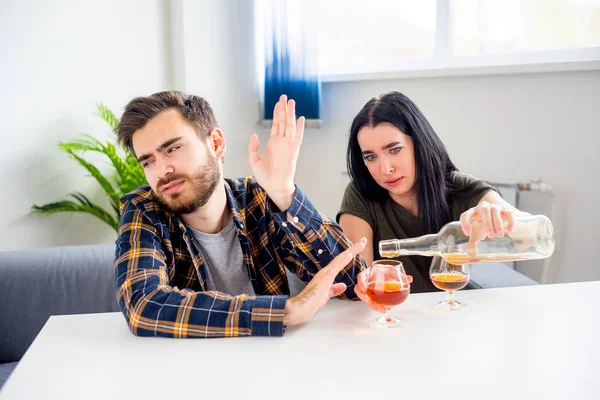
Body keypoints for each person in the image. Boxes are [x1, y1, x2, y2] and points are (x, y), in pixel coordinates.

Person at [114, 91, 367, 338]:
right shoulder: (143, 210)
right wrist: (284, 311)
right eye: (148, 162)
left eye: (173, 149)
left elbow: (355, 284)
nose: (162, 170)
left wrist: (284, 193)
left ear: (216, 143)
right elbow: (144, 306)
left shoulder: (260, 199)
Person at [336, 91, 527, 304]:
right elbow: (359, 278)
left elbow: (529, 236)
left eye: (395, 149)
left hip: (452, 316)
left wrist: (494, 216)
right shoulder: (360, 195)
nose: (385, 169)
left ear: (419, 143)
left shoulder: (460, 188)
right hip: (394, 318)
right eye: (371, 157)